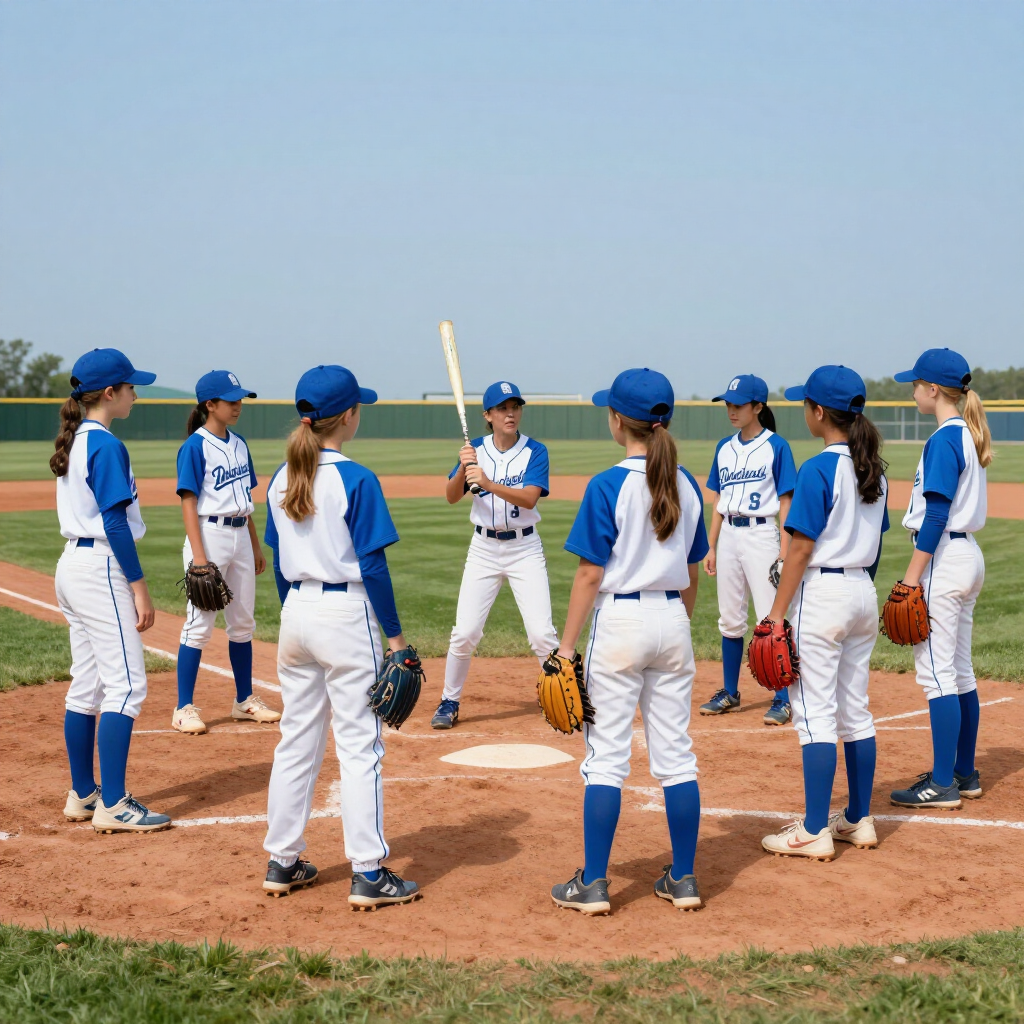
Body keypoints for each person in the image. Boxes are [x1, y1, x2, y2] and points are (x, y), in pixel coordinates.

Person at [549, 368, 709, 915]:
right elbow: (691, 571)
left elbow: (590, 576)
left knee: (606, 758)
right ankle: (684, 879)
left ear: (618, 421)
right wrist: (678, 626)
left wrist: (565, 649)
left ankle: (593, 884)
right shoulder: (687, 484)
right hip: (672, 622)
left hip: (620, 625)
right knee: (677, 757)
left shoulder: (608, 484)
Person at [261, 364, 420, 907]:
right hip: (346, 617)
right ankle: (369, 873)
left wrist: (295, 617)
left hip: (297, 615)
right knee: (360, 747)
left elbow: (282, 562)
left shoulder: (282, 477)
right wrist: (396, 640)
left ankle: (282, 862)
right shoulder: (356, 477)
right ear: (347, 417)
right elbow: (372, 568)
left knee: (296, 740)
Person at [759, 365, 888, 861]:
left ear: (818, 412)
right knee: (854, 709)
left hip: (824, 594)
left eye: (805, 404)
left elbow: (799, 550)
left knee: (814, 713)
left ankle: (814, 829)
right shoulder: (872, 466)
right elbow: (874, 546)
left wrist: (774, 613)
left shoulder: (817, 468)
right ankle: (857, 818)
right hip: (861, 590)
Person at [51, 348, 171, 833]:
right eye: (130, 387)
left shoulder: (79, 439)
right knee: (126, 685)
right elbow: (116, 523)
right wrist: (139, 587)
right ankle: (115, 803)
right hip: (100, 567)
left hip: (72, 566)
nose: (135, 394)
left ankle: (83, 793)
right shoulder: (103, 444)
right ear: (109, 393)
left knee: (88, 685)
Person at [888, 348, 990, 809]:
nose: (912, 391)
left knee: (936, 674)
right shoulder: (965, 434)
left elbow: (936, 512)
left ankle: (944, 783)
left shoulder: (945, 439)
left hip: (946, 558)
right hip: (966, 556)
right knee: (959, 670)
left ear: (933, 390)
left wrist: (912, 577)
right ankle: (964, 773)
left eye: (916, 384)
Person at [430, 381, 558, 729]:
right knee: (465, 632)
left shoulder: (535, 451)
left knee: (541, 634)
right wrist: (462, 466)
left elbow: (530, 498)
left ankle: (562, 697)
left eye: (515, 406)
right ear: (488, 415)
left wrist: (487, 483)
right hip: (484, 549)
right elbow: (451, 496)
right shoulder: (475, 450)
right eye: (502, 408)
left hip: (525, 548)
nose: (510, 413)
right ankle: (449, 701)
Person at [171, 370, 280, 734]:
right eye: (230, 400)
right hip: (208, 534)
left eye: (239, 399)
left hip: (238, 536)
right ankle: (184, 707)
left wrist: (253, 544)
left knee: (243, 622)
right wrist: (199, 557)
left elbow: (245, 500)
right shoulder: (195, 446)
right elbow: (189, 502)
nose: (237, 406)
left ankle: (244, 700)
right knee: (199, 624)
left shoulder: (239, 443)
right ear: (210, 405)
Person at [700, 374, 797, 725]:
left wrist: (784, 552)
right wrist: (711, 546)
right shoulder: (724, 448)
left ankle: (783, 697)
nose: (731, 410)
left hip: (761, 536)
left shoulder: (776, 446)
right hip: (729, 534)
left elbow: (786, 501)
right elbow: (718, 501)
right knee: (730, 618)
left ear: (758, 407)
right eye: (728, 404)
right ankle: (730, 693)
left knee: (769, 618)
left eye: (738, 404)